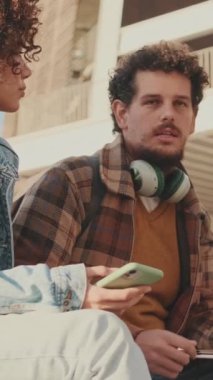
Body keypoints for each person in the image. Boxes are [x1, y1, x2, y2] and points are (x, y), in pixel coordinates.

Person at [12, 39, 213, 380]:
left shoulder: (193, 217)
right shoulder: (73, 182)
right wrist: (133, 342)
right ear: (122, 113)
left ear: (193, 120)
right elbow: (20, 301)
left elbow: (205, 315)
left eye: (180, 104)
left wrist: (188, 351)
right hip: (83, 363)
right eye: (152, 102)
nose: (168, 114)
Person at [0, 1, 153, 379]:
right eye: (13, 55)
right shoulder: (72, 179)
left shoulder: (192, 217)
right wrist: (70, 291)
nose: (27, 69)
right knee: (99, 338)